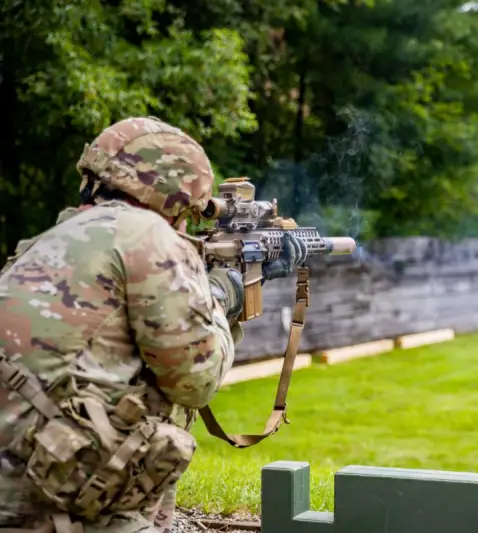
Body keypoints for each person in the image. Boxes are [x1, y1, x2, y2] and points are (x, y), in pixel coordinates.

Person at [0, 117, 306, 533]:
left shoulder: (45, 241)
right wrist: (221, 295)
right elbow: (197, 380)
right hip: (56, 501)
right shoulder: (148, 236)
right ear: (173, 195)